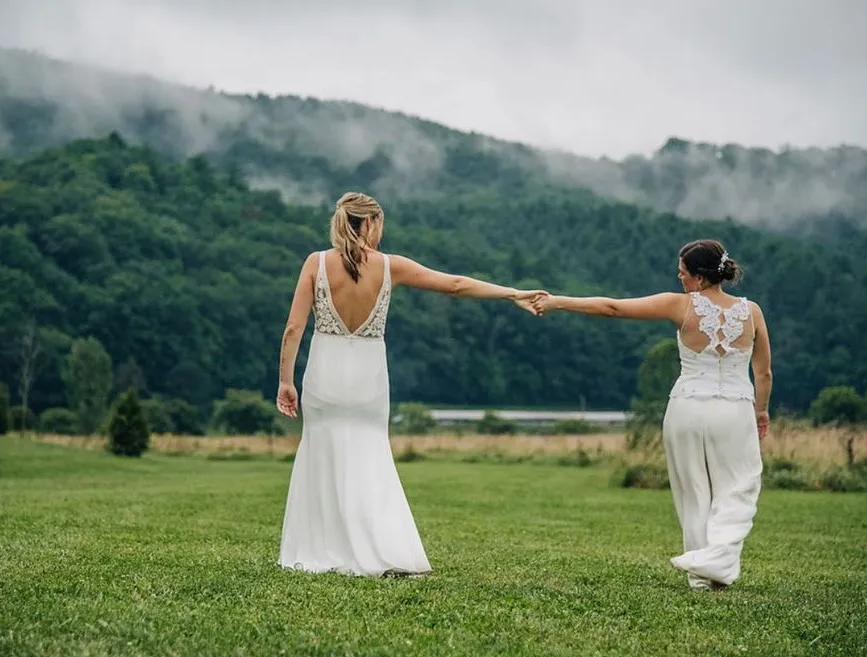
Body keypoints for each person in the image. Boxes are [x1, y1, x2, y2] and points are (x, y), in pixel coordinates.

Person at [276, 192, 546, 577]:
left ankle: (325, 549)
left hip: (325, 372)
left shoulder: (315, 263)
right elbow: (454, 284)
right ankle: (385, 549)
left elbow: (293, 328)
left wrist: (285, 381)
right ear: (369, 223)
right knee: (371, 455)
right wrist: (512, 292)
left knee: (324, 452)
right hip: (369, 377)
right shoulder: (391, 266)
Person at [535, 239, 772, 589]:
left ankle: (702, 575)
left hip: (688, 408)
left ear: (700, 277)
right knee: (738, 486)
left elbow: (613, 308)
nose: (680, 279)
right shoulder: (751, 312)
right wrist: (762, 411)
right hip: (735, 409)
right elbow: (763, 372)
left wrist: (558, 301)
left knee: (692, 490)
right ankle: (717, 558)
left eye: (683, 274)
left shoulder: (681, 306)